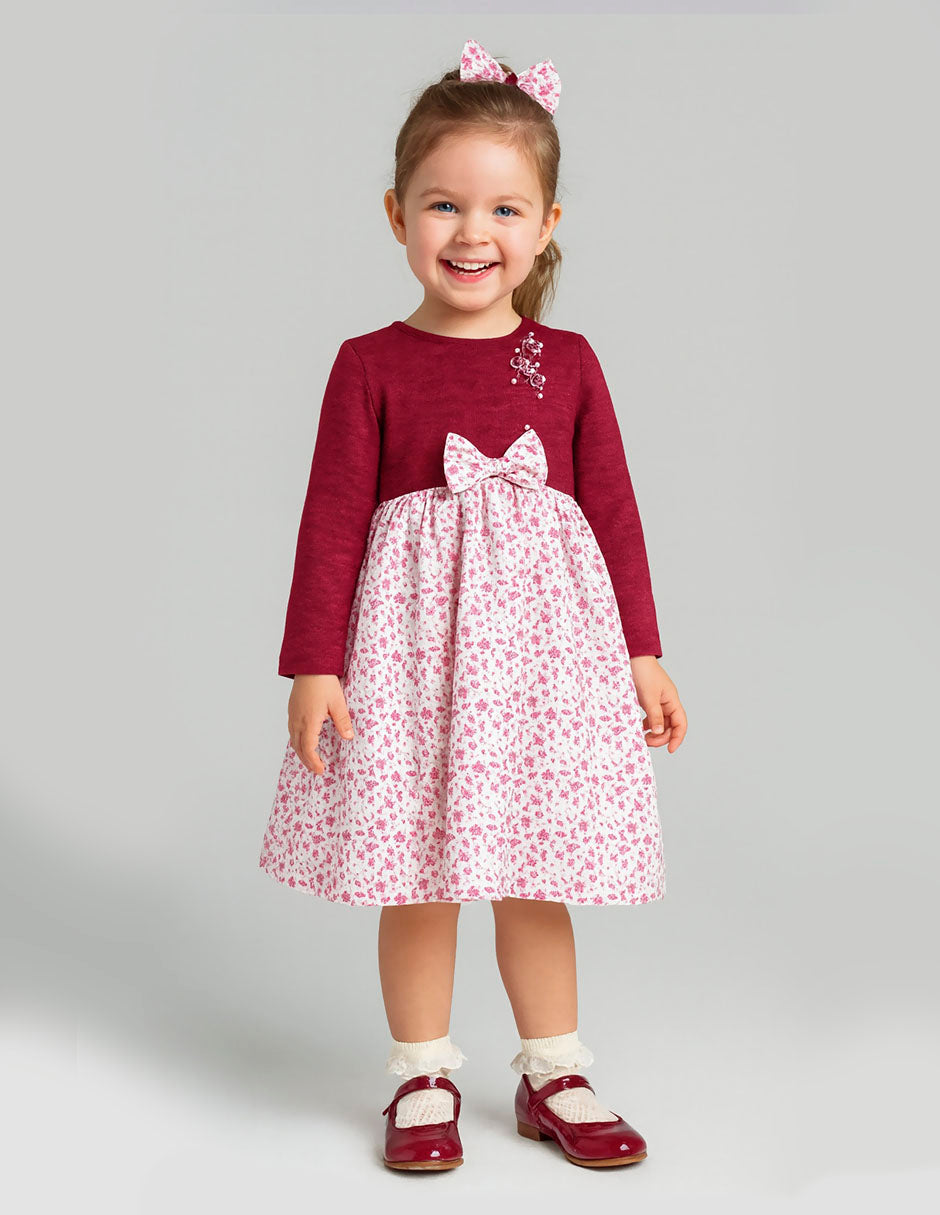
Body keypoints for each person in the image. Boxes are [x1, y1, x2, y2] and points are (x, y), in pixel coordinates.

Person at [259, 36, 687, 1171]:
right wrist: (314, 664)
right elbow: (330, 521)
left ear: (546, 226)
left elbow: (615, 512)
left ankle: (555, 1068)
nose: (471, 232)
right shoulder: (369, 364)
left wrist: (642, 652)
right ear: (396, 214)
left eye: (504, 208)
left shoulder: (569, 361)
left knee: (534, 872)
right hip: (411, 660)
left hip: (544, 664)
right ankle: (421, 1074)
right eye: (444, 204)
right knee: (419, 872)